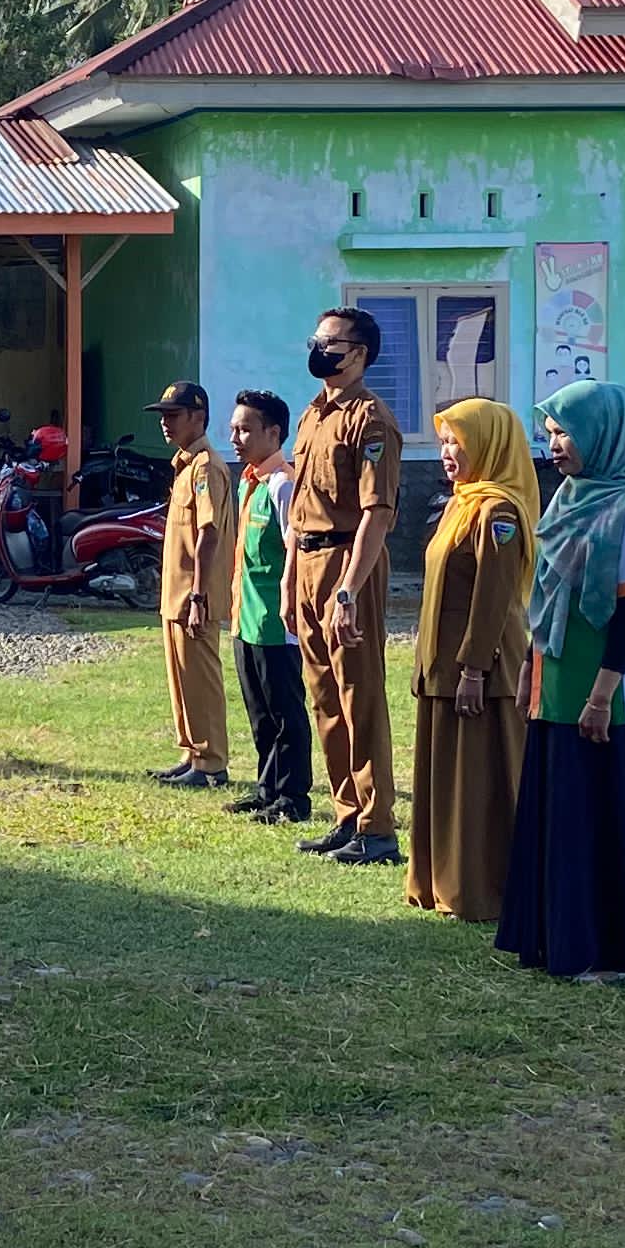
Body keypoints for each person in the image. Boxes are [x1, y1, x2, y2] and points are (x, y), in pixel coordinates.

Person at [498, 378, 625, 981]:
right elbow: (546, 598)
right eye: (553, 433)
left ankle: (617, 950)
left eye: (567, 433)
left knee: (608, 818)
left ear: (605, 435)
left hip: (608, 698)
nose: (555, 444)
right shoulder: (568, 499)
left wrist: (602, 695)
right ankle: (558, 937)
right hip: (558, 688)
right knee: (566, 815)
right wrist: (533, 666)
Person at [408, 395, 538, 921]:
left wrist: (473, 669)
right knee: (446, 779)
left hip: (477, 671)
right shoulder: (462, 503)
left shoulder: (498, 511)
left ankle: (483, 888)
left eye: (456, 442)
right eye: (442, 442)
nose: (446, 452)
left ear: (487, 444)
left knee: (480, 784)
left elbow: (492, 597)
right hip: (442, 668)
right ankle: (441, 880)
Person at [288, 306, 404, 865]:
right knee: (324, 696)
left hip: (347, 563)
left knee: (360, 695)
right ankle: (346, 814)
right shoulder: (312, 414)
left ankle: (377, 825)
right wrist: (291, 580)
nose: (320, 349)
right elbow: (300, 512)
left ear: (358, 353)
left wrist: (348, 592)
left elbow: (376, 514)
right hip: (307, 559)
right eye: (317, 339)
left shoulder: (371, 419)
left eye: (330, 342)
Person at [222, 390, 312, 828]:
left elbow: (294, 546)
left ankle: (293, 796)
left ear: (273, 433)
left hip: (276, 622)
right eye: (234, 428)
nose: (236, 437)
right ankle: (266, 789)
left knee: (285, 712)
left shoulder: (281, 484)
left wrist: (290, 604)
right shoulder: (248, 481)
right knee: (258, 711)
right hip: (246, 617)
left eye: (245, 429)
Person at [151, 381, 239, 789]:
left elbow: (209, 534)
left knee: (201, 678)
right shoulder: (185, 466)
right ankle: (191, 752)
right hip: (177, 593)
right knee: (181, 677)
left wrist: (200, 593)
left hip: (193, 595)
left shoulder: (205, 467)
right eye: (164, 416)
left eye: (174, 415)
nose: (165, 423)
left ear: (198, 417)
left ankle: (211, 762)